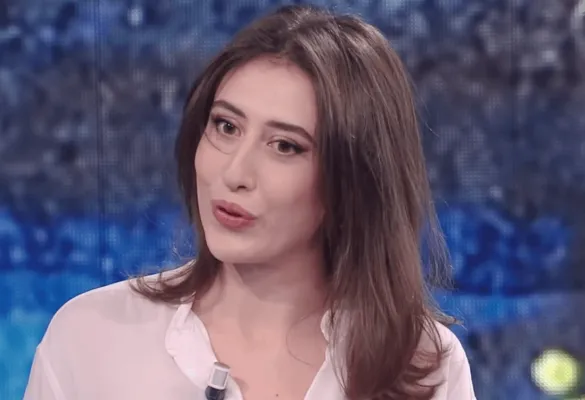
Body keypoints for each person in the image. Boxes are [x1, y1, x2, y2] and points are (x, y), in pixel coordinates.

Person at [23, 5, 475, 400]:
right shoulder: (91, 339)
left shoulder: (421, 365)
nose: (235, 173)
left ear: (354, 177)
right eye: (226, 126)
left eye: (285, 146)